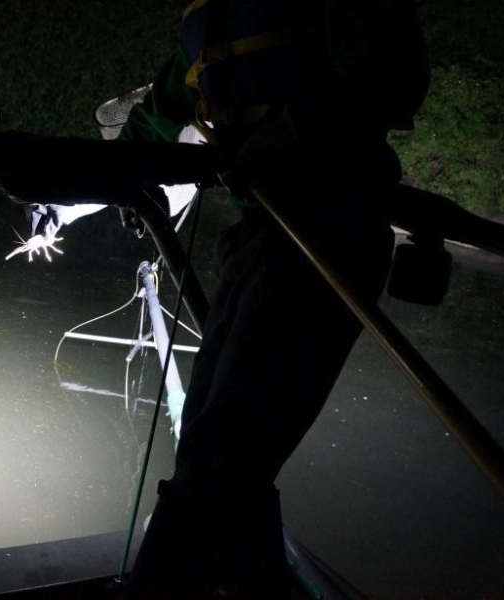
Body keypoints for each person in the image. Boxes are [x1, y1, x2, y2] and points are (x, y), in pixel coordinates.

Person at [117, 1, 429, 598]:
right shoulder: (210, 28)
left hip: (325, 239)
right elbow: (151, 121)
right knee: (210, 452)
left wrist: (299, 131)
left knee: (222, 457)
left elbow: (397, 75)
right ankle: (257, 578)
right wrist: (122, 179)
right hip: (253, 240)